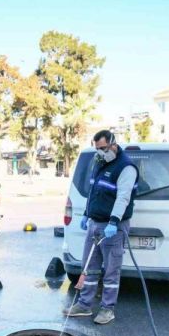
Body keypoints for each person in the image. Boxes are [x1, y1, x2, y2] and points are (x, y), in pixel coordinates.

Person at [63, 130, 138, 325]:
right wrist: (87, 214)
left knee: (111, 270)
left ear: (113, 144)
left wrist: (113, 222)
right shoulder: (99, 163)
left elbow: (123, 198)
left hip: (113, 226)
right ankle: (84, 304)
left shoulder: (126, 168)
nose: (100, 153)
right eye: (97, 149)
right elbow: (93, 192)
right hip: (95, 223)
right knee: (89, 267)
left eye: (103, 148)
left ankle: (107, 309)